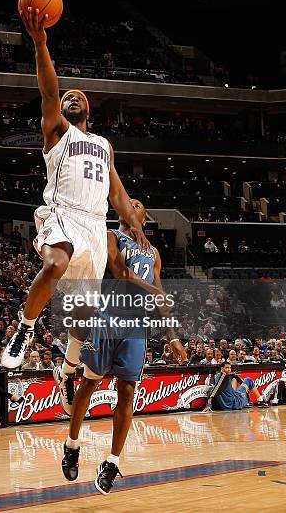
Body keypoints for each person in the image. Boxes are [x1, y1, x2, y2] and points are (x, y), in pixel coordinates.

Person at [1, 6, 148, 372]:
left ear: (89, 111)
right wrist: (40, 43)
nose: (72, 96)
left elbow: (117, 194)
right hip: (63, 212)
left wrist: (135, 224)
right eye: (69, 96)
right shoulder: (57, 131)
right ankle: (25, 327)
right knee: (55, 262)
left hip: (96, 225)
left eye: (80, 96)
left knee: (83, 313)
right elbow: (49, 91)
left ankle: (67, 370)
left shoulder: (102, 144)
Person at [60, 199, 186, 494]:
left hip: (136, 327)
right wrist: (156, 290)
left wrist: (173, 336)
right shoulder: (111, 236)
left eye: (137, 203)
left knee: (127, 392)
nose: (130, 203)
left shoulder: (153, 253)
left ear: (144, 216)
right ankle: (72, 444)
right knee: (89, 384)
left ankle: (112, 462)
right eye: (127, 201)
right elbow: (121, 274)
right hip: (106, 316)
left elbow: (161, 299)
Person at [203, 361, 268, 412]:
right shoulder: (222, 377)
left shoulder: (218, 375)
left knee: (234, 379)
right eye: (227, 368)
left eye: (230, 368)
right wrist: (208, 405)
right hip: (235, 403)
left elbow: (235, 377)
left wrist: (234, 375)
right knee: (248, 380)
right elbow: (214, 391)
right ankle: (261, 400)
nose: (229, 370)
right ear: (222, 368)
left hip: (230, 400)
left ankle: (248, 396)